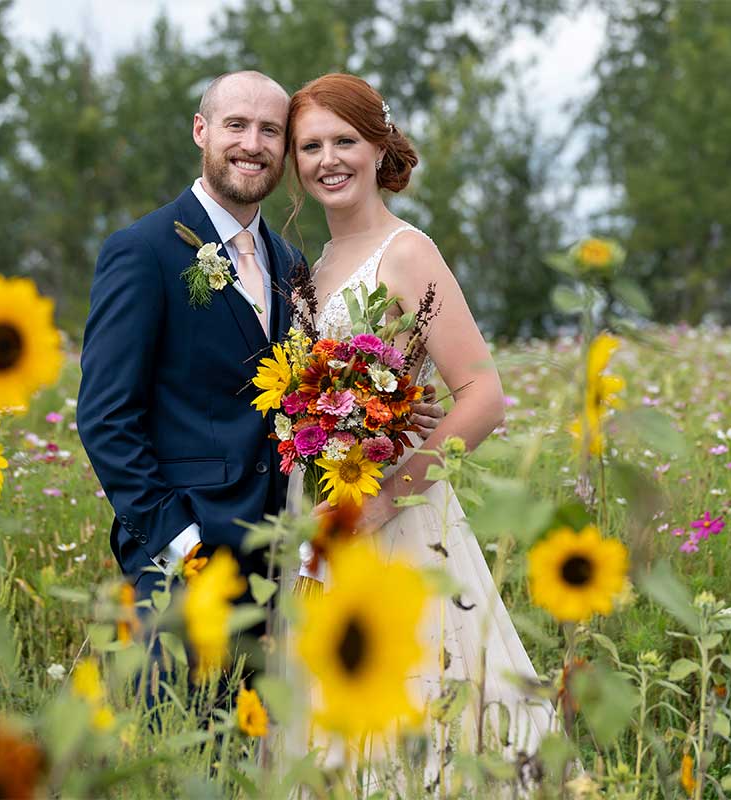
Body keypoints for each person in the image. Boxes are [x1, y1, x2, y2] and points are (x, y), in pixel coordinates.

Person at [76, 70, 446, 693]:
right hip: (185, 566)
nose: (253, 143)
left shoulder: (291, 263)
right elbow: (106, 418)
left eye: (270, 130)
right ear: (201, 131)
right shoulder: (142, 251)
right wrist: (184, 546)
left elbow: (307, 400)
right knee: (181, 757)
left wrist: (395, 408)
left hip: (283, 561)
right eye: (236, 125)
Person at [283, 72, 555, 774]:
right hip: (325, 515)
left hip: (397, 515)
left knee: (419, 714)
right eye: (310, 145)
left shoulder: (406, 252)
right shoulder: (313, 266)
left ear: (379, 146)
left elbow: (484, 395)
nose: (328, 159)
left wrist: (389, 494)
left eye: (345, 140)